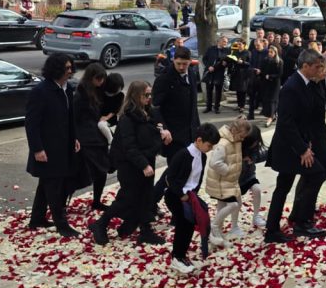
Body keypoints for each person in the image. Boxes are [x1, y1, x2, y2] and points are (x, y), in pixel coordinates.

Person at [264, 49, 326, 243]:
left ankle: (283, 226)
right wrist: (303, 149)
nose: (320, 70)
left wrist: (313, 141)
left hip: (298, 145)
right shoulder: (292, 87)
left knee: (286, 186)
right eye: (316, 67)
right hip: (288, 148)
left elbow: (311, 117)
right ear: (305, 66)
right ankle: (299, 223)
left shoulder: (306, 84)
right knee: (312, 175)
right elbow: (286, 123)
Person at [89, 81, 170, 246]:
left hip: (146, 160)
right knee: (127, 198)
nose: (149, 98)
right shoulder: (127, 118)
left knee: (146, 196)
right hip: (130, 165)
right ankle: (100, 224)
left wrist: (165, 131)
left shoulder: (150, 112)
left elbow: (159, 124)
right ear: (135, 96)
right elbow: (129, 147)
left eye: (150, 94)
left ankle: (145, 231)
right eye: (145, 95)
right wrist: (143, 165)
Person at [26, 54, 81, 237]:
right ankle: (62, 224)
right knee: (55, 188)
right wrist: (37, 149)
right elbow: (32, 123)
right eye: (66, 68)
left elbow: (70, 117)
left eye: (71, 67)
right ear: (55, 69)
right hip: (47, 148)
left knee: (47, 183)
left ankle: (37, 218)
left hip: (63, 146)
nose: (70, 71)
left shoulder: (67, 89)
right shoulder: (41, 91)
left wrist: (75, 138)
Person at [164, 123, 219, 275]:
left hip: (189, 196)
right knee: (184, 223)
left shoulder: (202, 156)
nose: (210, 148)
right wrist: (182, 195)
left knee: (190, 224)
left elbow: (197, 178)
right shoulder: (183, 154)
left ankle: (181, 255)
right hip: (175, 195)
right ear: (199, 140)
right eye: (209, 145)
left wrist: (192, 195)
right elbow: (170, 178)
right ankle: (177, 256)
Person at [152, 45, 201, 213]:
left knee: (185, 170)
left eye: (184, 64)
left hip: (190, 133)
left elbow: (193, 105)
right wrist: (163, 129)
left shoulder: (192, 74)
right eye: (179, 63)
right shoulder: (165, 78)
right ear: (173, 60)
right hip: (172, 135)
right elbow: (155, 107)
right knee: (173, 172)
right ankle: (155, 200)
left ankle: (178, 202)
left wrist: (198, 130)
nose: (181, 67)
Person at [206, 118, 253, 246]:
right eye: (242, 136)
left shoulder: (235, 140)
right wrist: (228, 170)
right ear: (234, 130)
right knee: (233, 205)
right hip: (222, 181)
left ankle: (218, 231)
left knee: (227, 204)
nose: (242, 139)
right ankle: (214, 225)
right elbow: (215, 163)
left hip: (230, 181)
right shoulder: (223, 144)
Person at [72, 63, 112, 211]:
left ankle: (97, 201)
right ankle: (62, 204)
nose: (101, 82)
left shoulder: (97, 91)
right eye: (98, 79)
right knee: (83, 174)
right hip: (86, 140)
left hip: (97, 138)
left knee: (101, 172)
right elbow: (74, 118)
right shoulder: (81, 94)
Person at [240, 126, 269, 228]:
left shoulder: (254, 148)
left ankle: (256, 216)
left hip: (249, 176)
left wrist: (252, 158)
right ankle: (233, 225)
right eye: (254, 141)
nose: (256, 144)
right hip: (235, 179)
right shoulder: (236, 148)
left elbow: (258, 156)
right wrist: (243, 161)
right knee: (235, 203)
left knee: (257, 189)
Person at [203, 36, 230, 114]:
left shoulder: (227, 51)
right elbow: (204, 59)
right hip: (210, 72)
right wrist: (208, 67)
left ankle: (216, 107)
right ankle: (208, 107)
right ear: (219, 41)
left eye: (226, 42)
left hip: (219, 73)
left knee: (218, 91)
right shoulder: (211, 49)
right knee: (209, 90)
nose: (226, 43)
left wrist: (226, 64)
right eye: (224, 41)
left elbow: (229, 62)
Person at [261, 45, 283, 126]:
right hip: (267, 83)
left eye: (271, 52)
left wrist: (270, 76)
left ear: (275, 53)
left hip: (275, 83)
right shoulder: (265, 60)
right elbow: (263, 70)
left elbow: (280, 74)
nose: (269, 53)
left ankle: (270, 118)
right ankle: (272, 115)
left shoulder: (279, 61)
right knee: (267, 100)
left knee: (272, 101)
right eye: (269, 52)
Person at [246, 38, 268, 121]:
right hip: (254, 77)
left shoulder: (266, 52)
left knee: (263, 96)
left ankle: (265, 112)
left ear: (262, 44)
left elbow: (268, 65)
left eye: (258, 45)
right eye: (255, 45)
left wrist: (261, 71)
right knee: (251, 96)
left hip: (263, 78)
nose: (257, 47)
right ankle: (250, 114)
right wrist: (252, 69)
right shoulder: (254, 52)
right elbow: (250, 64)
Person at [229, 40, 251, 112]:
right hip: (236, 73)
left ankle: (242, 106)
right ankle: (239, 105)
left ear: (244, 45)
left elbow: (250, 63)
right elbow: (232, 61)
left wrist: (243, 62)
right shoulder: (235, 52)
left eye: (240, 44)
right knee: (238, 90)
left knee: (243, 91)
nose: (239, 46)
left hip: (244, 74)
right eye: (238, 44)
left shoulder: (247, 52)